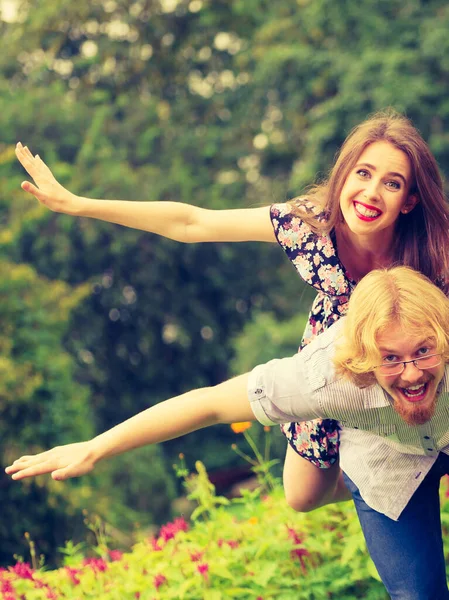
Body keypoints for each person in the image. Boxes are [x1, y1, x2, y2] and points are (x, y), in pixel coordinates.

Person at [15, 110, 449, 514]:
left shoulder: (432, 249)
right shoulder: (309, 225)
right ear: (343, 176)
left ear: (409, 200)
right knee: (301, 497)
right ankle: (378, 479)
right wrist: (80, 204)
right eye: (363, 173)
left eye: (392, 184)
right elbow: (192, 223)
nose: (372, 192)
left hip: (416, 359)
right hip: (334, 352)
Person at [7, 265, 449, 600]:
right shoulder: (323, 375)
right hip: (385, 466)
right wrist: (95, 447)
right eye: (390, 359)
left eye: (424, 352)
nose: (411, 374)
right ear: (365, 358)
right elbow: (211, 403)